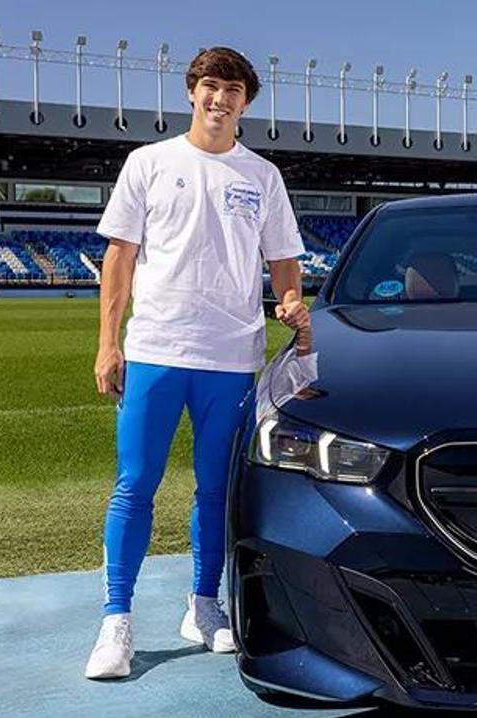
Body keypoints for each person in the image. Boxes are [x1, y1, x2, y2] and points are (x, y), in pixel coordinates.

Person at [85, 47, 309, 679]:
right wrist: (108, 343)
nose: (220, 98)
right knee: (135, 484)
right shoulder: (149, 162)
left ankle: (205, 605)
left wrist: (291, 300)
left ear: (246, 103)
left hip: (231, 355)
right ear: (191, 92)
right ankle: (116, 620)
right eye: (211, 86)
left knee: (216, 489)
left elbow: (284, 261)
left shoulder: (262, 175)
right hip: (156, 349)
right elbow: (120, 258)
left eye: (233, 90)